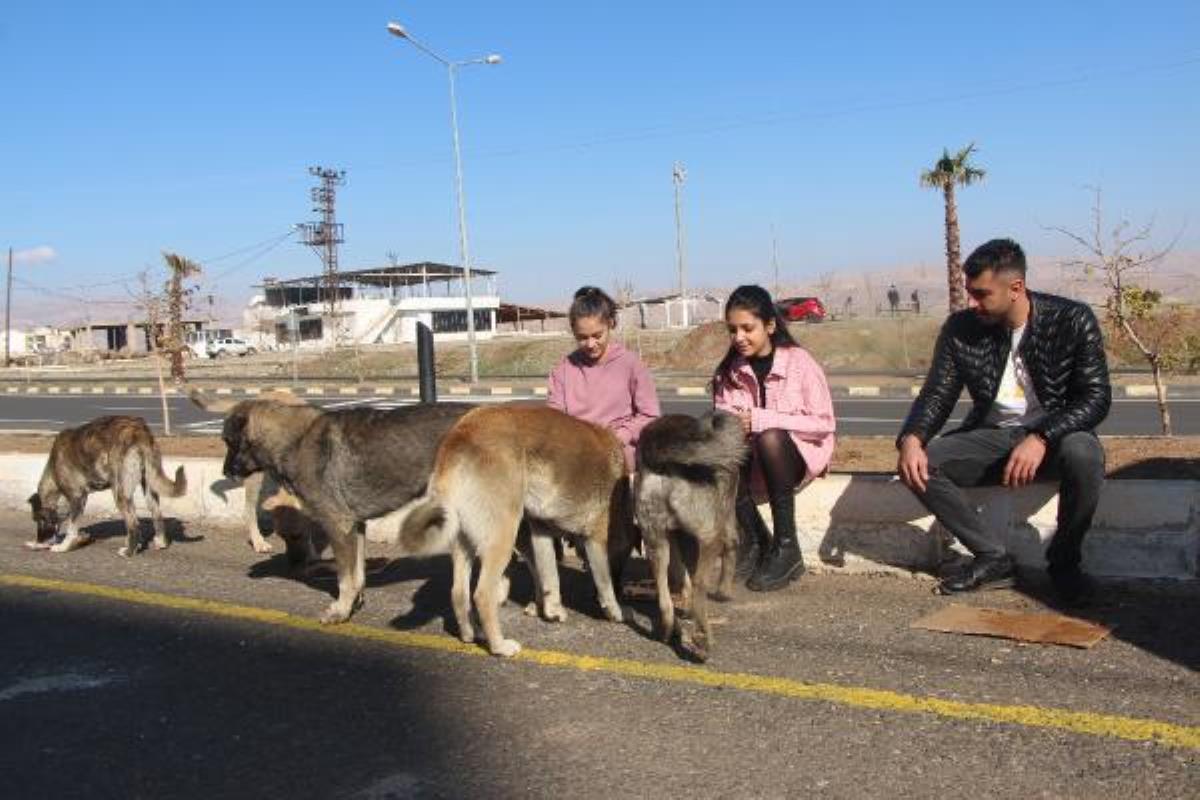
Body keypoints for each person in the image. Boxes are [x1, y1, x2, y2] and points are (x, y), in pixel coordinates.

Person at [896, 239, 1110, 602]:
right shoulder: (961, 328)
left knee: (1084, 454)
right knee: (920, 463)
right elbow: (937, 393)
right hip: (994, 438)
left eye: (981, 294)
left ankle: (1064, 563)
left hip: (1059, 437)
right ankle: (992, 557)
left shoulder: (1072, 319)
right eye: (970, 293)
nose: (972, 303)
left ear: (1016, 288)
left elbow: (1095, 397)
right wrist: (912, 439)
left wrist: (1041, 436)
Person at [713, 285, 836, 592]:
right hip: (753, 464)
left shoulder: (800, 362)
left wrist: (759, 418)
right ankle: (752, 540)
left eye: (747, 328)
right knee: (717, 441)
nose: (738, 337)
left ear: (769, 325)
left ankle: (787, 547)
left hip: (797, 455)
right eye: (732, 330)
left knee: (769, 436)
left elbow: (823, 423)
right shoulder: (729, 373)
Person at [548, 286, 660, 472]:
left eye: (597, 335)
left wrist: (618, 437)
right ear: (573, 332)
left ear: (610, 324)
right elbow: (553, 420)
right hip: (576, 463)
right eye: (582, 338)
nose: (591, 344)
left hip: (620, 463)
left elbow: (650, 415)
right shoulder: (563, 370)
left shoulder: (631, 364)